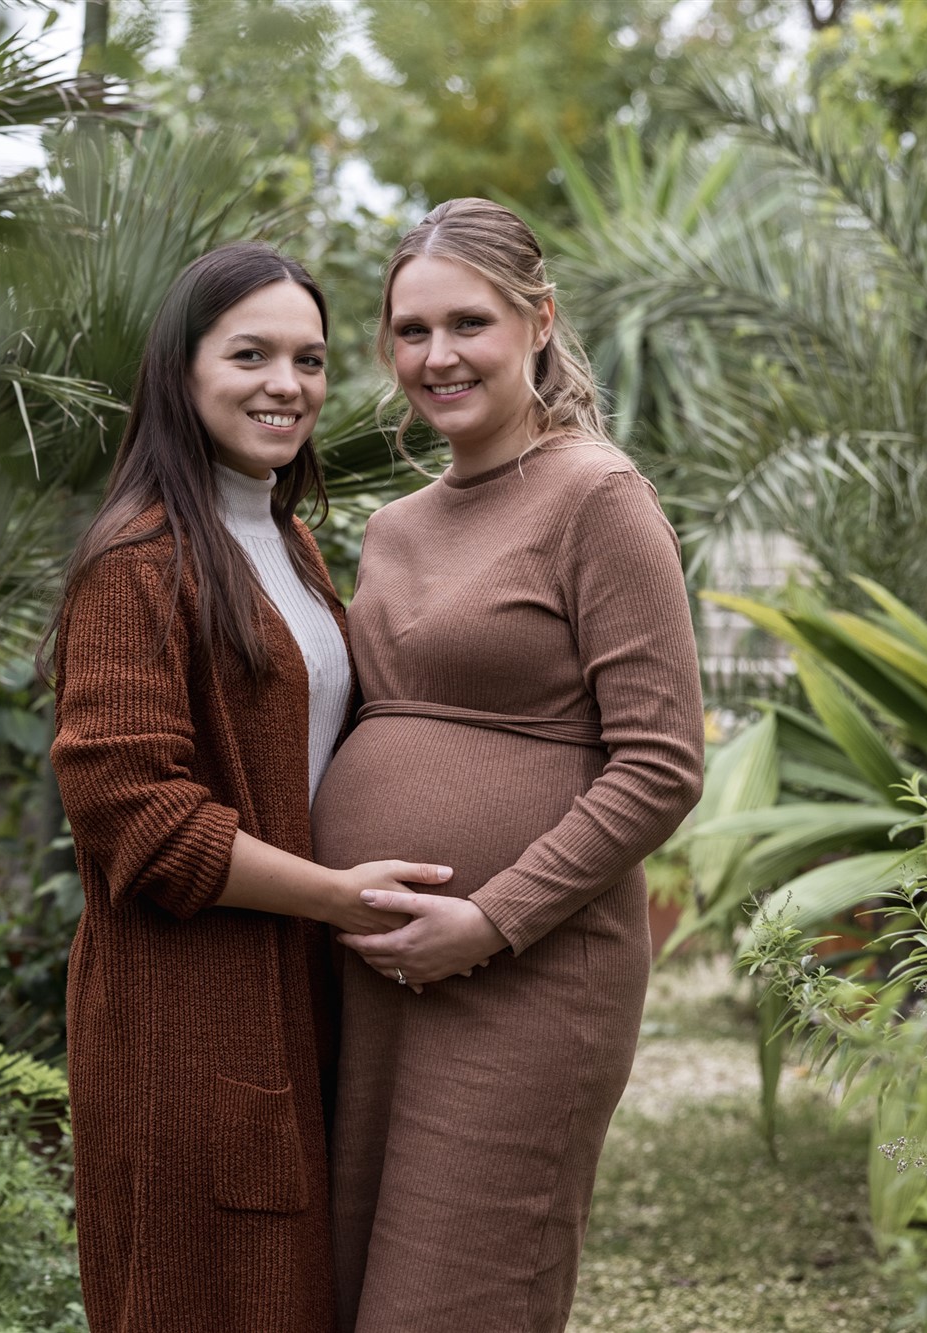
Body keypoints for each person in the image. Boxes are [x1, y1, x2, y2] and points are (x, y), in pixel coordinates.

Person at [313, 199, 705, 1332]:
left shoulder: (596, 499)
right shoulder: (391, 528)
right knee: (350, 1289)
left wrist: (485, 920)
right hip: (369, 976)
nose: (436, 357)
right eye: (409, 331)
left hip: (525, 973)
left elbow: (659, 762)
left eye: (466, 324)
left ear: (536, 321)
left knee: (456, 1299)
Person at [48, 241, 453, 1332]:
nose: (287, 384)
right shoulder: (135, 563)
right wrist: (337, 897)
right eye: (251, 354)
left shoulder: (289, 543)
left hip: (301, 994)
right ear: (180, 373)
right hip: (189, 1021)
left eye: (310, 359)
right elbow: (131, 810)